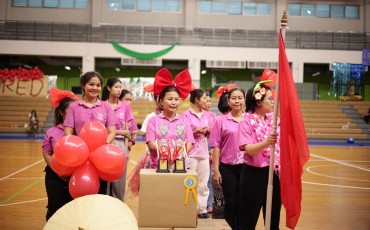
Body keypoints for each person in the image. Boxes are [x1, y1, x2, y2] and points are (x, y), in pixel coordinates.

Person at [63, 71, 116, 195]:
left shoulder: (106, 107)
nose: (95, 88)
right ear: (83, 85)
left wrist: (104, 145)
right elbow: (68, 130)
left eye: (98, 85)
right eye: (91, 84)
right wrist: (75, 147)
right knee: (80, 194)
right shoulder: (74, 107)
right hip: (79, 158)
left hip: (101, 159)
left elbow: (112, 131)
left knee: (101, 193)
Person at [238, 81, 281, 230]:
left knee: (273, 217)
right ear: (258, 101)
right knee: (249, 219)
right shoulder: (246, 122)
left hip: (274, 173)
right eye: (269, 98)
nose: (273, 101)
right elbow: (249, 149)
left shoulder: (275, 121)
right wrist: (267, 142)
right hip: (253, 176)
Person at [210, 87, 246, 229]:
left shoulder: (250, 119)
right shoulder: (220, 121)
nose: (237, 101)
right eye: (234, 98)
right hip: (227, 168)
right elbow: (216, 146)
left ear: (244, 100)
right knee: (230, 204)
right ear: (228, 101)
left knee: (243, 204)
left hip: (247, 168)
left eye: (240, 98)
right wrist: (216, 170)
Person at [42, 87, 79, 220]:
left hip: (76, 178)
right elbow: (47, 153)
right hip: (54, 176)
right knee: (55, 210)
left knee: (73, 212)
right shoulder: (51, 132)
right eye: (70, 110)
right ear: (62, 112)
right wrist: (58, 171)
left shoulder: (80, 131)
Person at [145, 68, 194, 170]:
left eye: (176, 99)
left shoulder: (185, 120)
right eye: (170, 99)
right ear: (162, 101)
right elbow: (151, 145)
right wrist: (171, 155)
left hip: (180, 167)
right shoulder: (153, 121)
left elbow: (189, 144)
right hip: (159, 168)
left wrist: (175, 162)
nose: (173, 102)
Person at [102, 77, 136, 201]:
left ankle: (118, 204)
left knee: (119, 180)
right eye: (116, 87)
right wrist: (120, 132)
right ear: (109, 88)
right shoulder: (102, 105)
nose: (118, 90)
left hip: (121, 144)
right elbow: (102, 128)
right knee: (105, 177)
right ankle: (104, 203)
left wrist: (126, 147)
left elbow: (128, 128)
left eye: (120, 87)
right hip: (106, 143)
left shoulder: (125, 106)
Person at [182, 88, 212, 219]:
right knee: (190, 182)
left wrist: (207, 131)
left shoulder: (207, 114)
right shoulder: (186, 115)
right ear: (196, 100)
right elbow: (182, 134)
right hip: (191, 153)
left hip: (204, 153)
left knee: (203, 183)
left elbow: (212, 133)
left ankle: (202, 208)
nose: (206, 100)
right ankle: (189, 208)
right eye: (204, 98)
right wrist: (195, 132)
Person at [204, 94, 217, 214]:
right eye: (206, 100)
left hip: (212, 148)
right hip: (200, 150)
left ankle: (209, 204)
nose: (208, 103)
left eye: (209, 101)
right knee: (202, 178)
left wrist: (212, 149)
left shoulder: (214, 116)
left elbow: (216, 135)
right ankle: (201, 204)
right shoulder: (197, 116)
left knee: (210, 179)